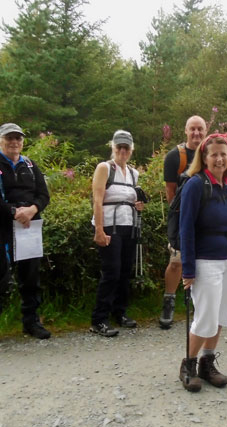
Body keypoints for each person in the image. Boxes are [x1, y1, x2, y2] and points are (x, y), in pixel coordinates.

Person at [178, 133, 227, 392]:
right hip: (205, 261)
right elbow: (186, 229)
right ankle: (189, 365)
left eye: (223, 154)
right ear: (204, 158)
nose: (219, 158)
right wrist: (188, 269)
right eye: (214, 154)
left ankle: (207, 362)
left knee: (220, 315)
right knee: (205, 316)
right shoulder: (195, 185)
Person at [0, 123, 51, 348]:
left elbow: (43, 195)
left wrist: (32, 209)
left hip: (29, 227)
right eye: (9, 138)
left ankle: (31, 321)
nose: (14, 142)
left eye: (18, 138)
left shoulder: (30, 165)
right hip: (1, 227)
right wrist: (13, 212)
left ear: (23, 142)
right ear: (0, 141)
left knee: (30, 276)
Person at [90, 130, 145, 337]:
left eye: (126, 147)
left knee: (124, 272)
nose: (123, 151)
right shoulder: (104, 168)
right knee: (111, 272)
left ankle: (119, 313)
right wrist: (99, 230)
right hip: (109, 228)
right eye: (119, 147)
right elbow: (97, 200)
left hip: (128, 227)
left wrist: (137, 205)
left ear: (131, 150)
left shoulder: (133, 173)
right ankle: (99, 319)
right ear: (113, 148)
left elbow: (130, 199)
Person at [161, 116, 207, 329]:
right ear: (186, 131)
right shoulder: (175, 157)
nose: (196, 133)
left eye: (200, 129)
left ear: (205, 131)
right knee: (177, 261)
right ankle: (168, 302)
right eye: (193, 129)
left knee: (203, 262)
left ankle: (198, 304)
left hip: (206, 218)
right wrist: (180, 216)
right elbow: (170, 191)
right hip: (180, 218)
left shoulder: (211, 153)